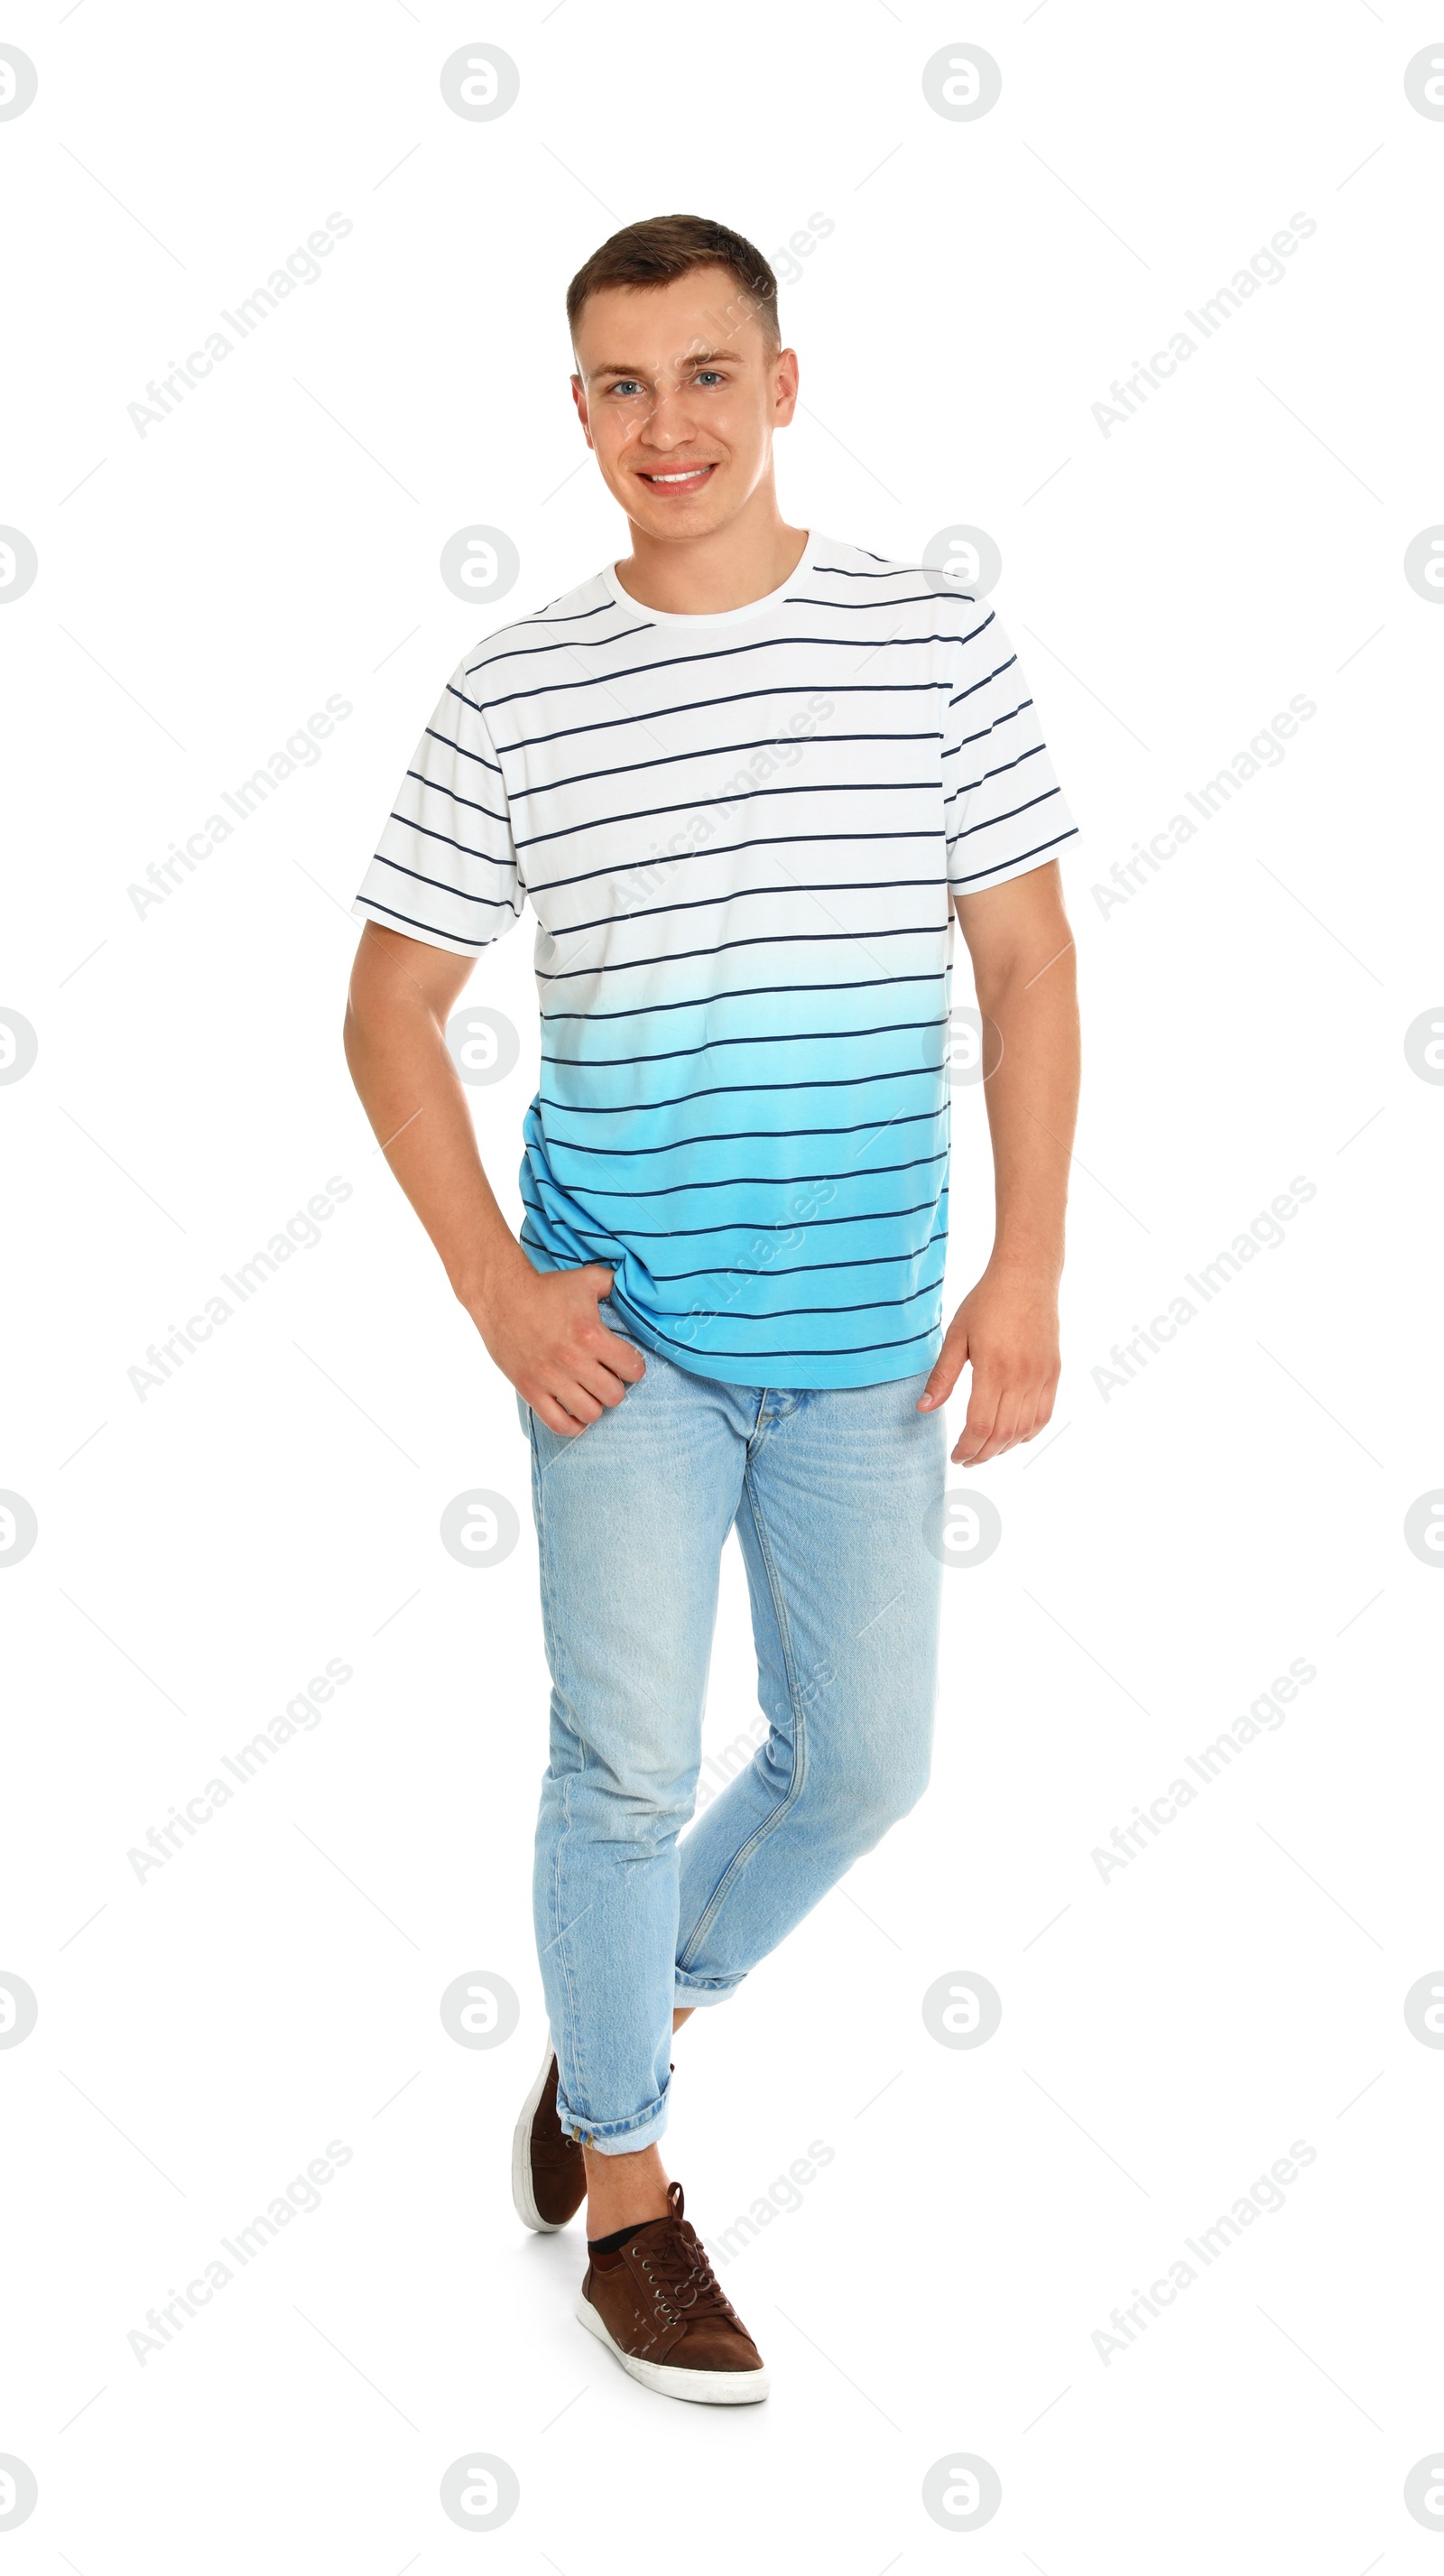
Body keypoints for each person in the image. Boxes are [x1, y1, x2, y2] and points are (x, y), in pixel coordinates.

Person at [343, 212, 1081, 2405]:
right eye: (618, 384)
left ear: (781, 382)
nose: (665, 423)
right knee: (620, 1760)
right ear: (577, 410)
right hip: (623, 1344)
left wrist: (1025, 1256)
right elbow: (390, 1001)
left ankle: (609, 2029)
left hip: (864, 1341)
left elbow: (1025, 959)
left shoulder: (929, 641)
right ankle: (635, 2200)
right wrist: (492, 1282)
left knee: (862, 1761)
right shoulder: (516, 687)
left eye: (703, 373)